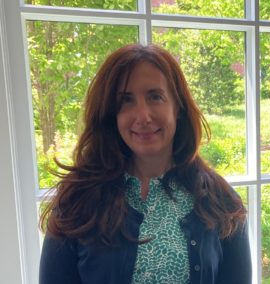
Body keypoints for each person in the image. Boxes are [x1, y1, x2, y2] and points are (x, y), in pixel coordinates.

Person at [39, 44, 252, 284]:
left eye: (155, 97)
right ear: (111, 114)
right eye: (126, 101)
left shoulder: (222, 202)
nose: (143, 116)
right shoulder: (77, 202)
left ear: (178, 107)